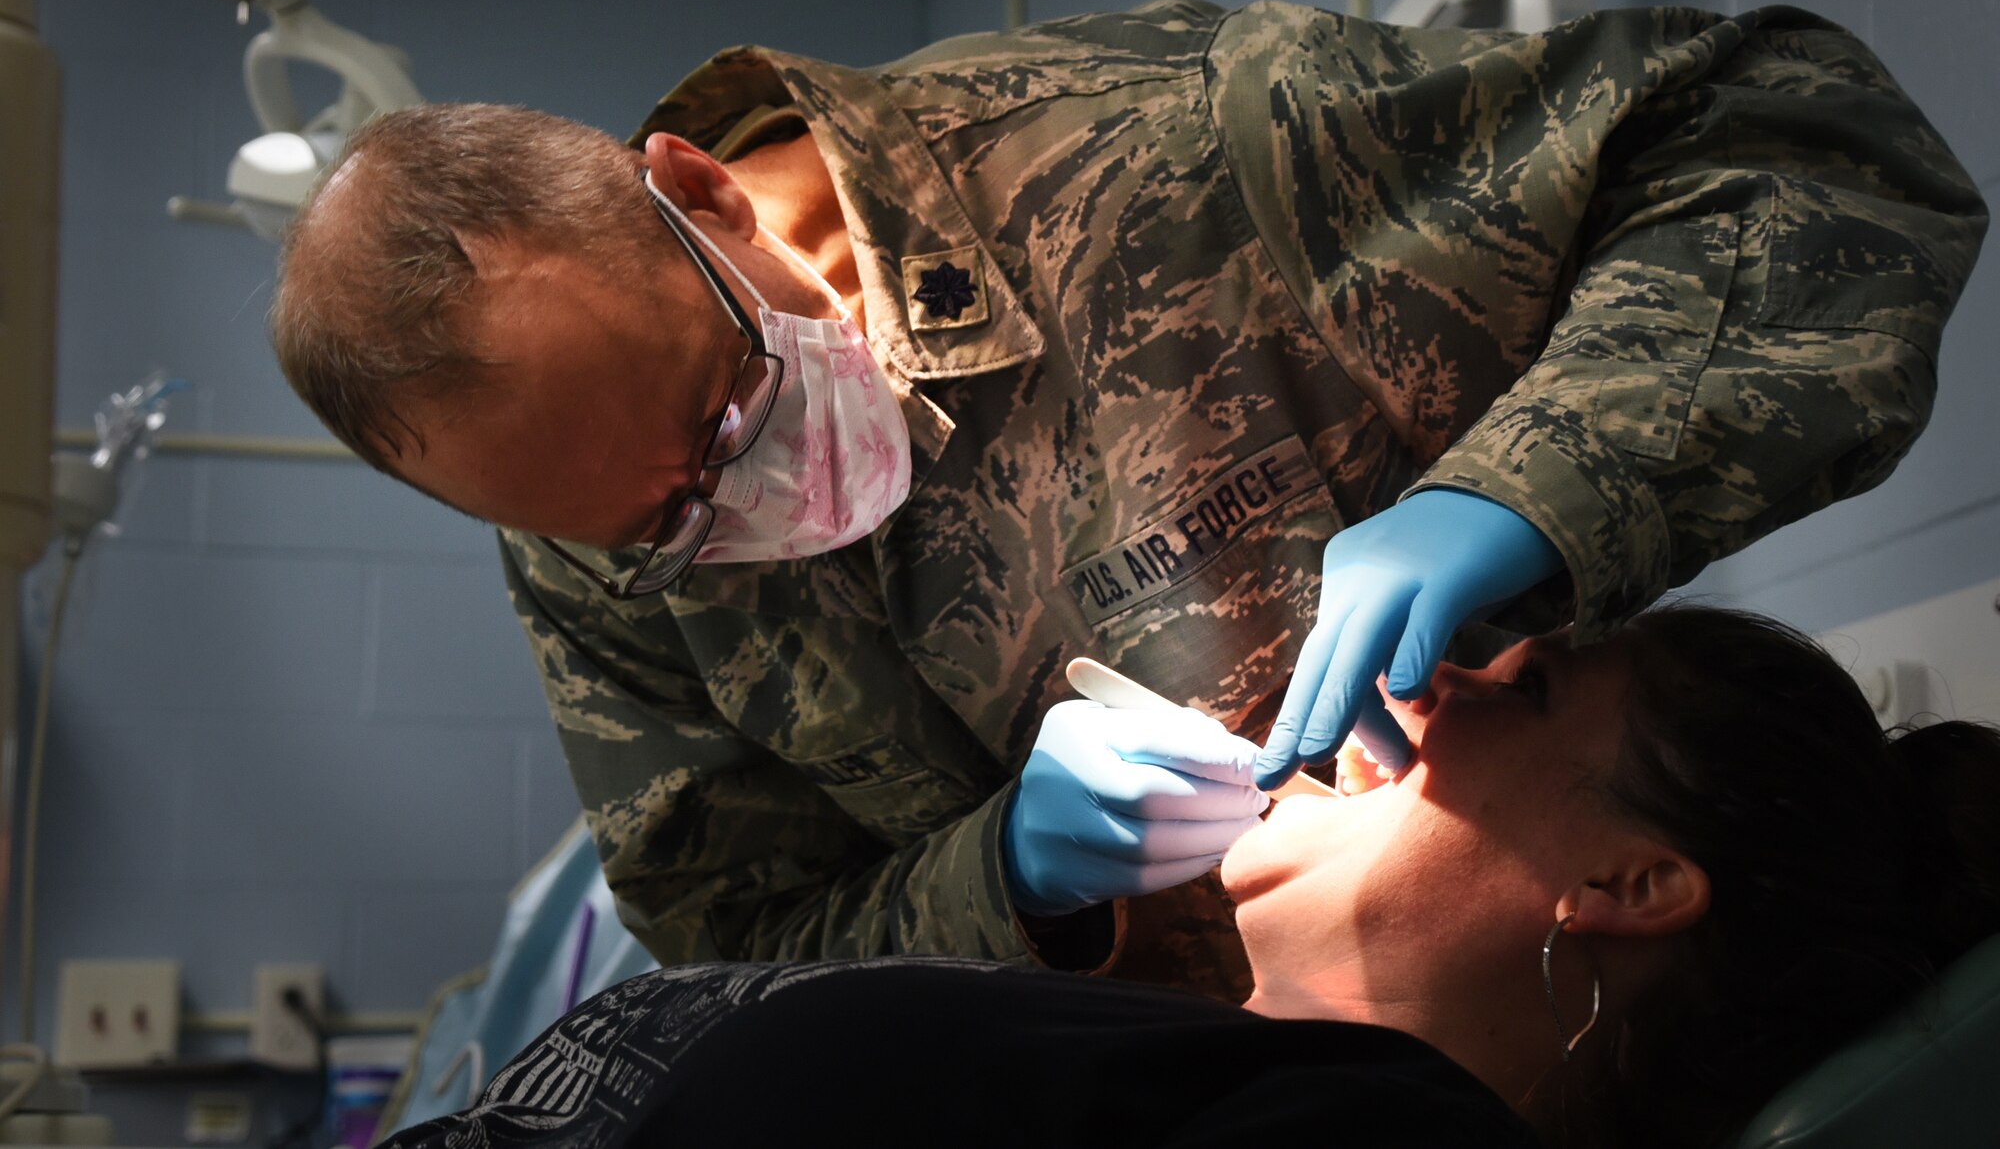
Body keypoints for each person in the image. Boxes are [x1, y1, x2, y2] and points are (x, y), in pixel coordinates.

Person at [270, 0, 1987, 998]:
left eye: (722, 415)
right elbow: (745, 948)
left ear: (708, 195)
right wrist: (999, 880)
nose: (738, 513)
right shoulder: (582, 519)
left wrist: (1535, 494)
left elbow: (1792, 141)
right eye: (658, 530)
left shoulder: (1169, 160)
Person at [376, 605, 2000, 1149]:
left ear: (1637, 882)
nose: (1429, 685)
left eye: (1532, 690)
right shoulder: (1190, 1052)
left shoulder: (1383, 1137)